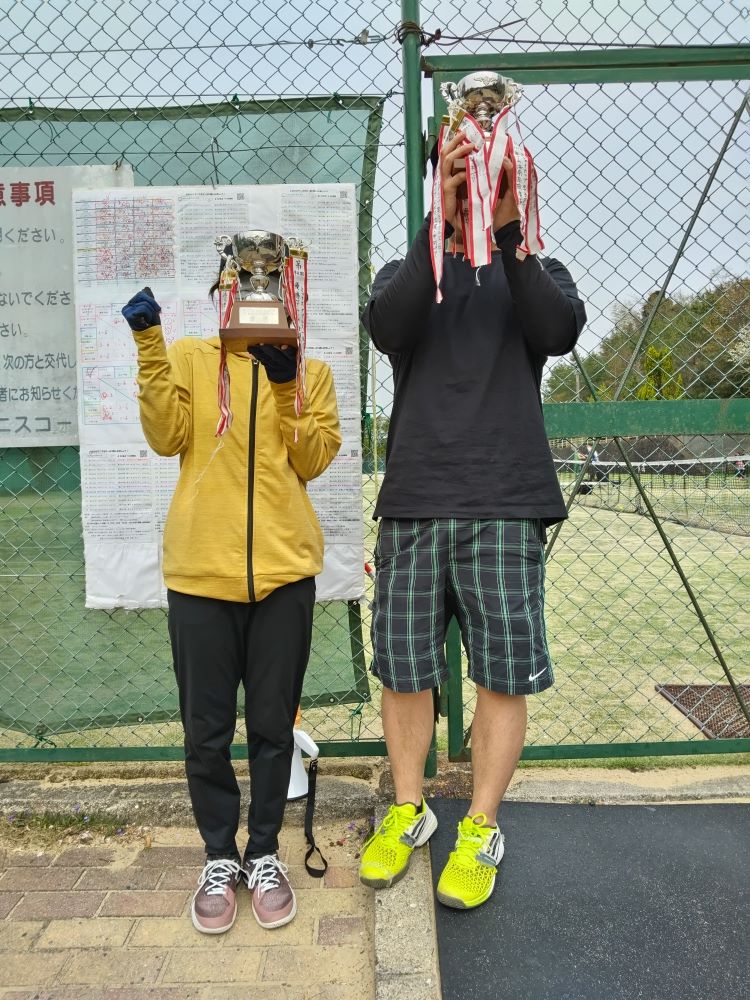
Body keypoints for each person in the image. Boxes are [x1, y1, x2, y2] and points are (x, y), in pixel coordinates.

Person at [359, 131, 586, 910]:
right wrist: (440, 224)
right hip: (416, 500)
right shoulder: (407, 272)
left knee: (500, 675)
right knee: (404, 670)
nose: (475, 185)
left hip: (506, 501)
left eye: (487, 171)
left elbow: (557, 332)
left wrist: (510, 229)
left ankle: (481, 825)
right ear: (440, 181)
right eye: (463, 173)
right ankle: (409, 809)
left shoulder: (536, 269)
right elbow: (388, 328)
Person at [121, 275, 341, 935]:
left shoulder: (312, 373)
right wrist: (149, 342)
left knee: (272, 728)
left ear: (287, 297)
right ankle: (220, 855)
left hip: (284, 580)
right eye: (243, 283)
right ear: (227, 296)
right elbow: (166, 437)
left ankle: (264, 852)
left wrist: (285, 385)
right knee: (205, 734)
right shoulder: (191, 359)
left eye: (269, 284)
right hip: (199, 579)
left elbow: (314, 458)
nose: (255, 295)